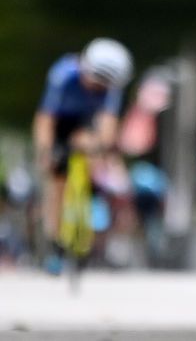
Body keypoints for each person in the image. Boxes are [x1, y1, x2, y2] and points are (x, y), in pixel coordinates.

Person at [32, 37, 134, 274]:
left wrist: (103, 149)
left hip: (86, 124)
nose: (100, 88)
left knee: (97, 151)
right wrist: (46, 151)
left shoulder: (111, 87)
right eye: (97, 82)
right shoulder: (64, 74)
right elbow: (46, 119)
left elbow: (108, 121)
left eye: (106, 85)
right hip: (61, 121)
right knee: (56, 178)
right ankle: (54, 239)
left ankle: (91, 210)